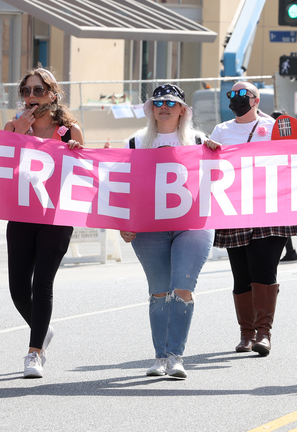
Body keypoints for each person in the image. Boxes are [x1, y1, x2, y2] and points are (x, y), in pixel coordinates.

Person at [204, 82, 297, 357]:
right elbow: (210, 168)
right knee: (241, 274)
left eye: (243, 94)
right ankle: (246, 334)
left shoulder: (275, 127)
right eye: (232, 94)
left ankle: (264, 333)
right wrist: (209, 149)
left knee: (264, 270)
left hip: (272, 208)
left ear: (256, 100)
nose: (237, 99)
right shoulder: (221, 130)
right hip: (235, 210)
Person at [117, 84, 213, 379]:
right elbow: (120, 185)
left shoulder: (199, 141)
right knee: (158, 292)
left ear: (183, 110)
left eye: (171, 103)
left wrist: (218, 155)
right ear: (151, 109)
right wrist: (124, 222)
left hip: (192, 226)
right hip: (149, 228)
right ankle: (160, 357)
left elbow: (221, 177)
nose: (164, 107)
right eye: (158, 102)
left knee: (182, 288)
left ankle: (175, 357)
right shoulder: (135, 142)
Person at [4, 67, 83, 378]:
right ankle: (43, 328)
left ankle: (34, 352)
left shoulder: (69, 130)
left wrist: (77, 154)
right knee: (17, 288)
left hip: (56, 215)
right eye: (26, 91)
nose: (31, 96)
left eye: (38, 90)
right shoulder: (13, 126)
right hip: (22, 213)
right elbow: (0, 166)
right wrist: (19, 133)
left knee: (42, 283)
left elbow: (81, 176)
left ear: (52, 94)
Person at [269, 110, 297, 264]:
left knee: (281, 220)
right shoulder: (290, 138)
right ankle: (290, 251)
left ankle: (290, 251)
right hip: (286, 184)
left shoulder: (276, 139)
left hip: (280, 185)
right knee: (283, 220)